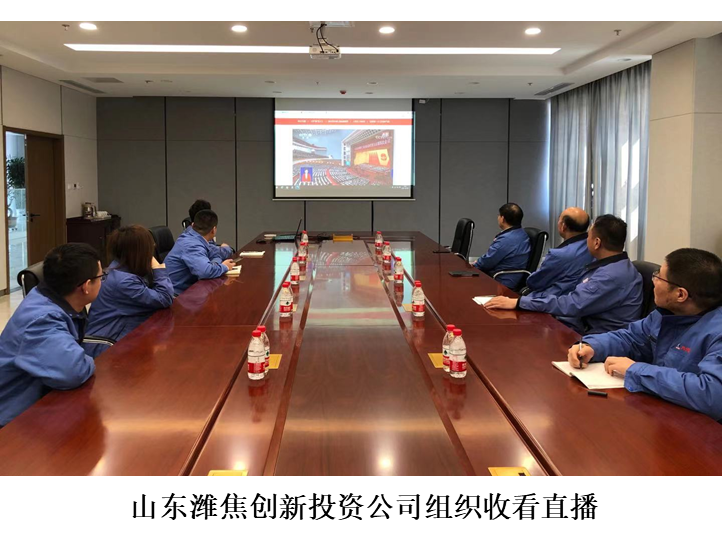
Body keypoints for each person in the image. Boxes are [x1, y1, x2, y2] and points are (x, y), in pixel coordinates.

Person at [569, 248, 722, 420]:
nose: (653, 280)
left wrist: (635, 370)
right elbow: (631, 338)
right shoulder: (667, 314)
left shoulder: (717, 332)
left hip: (698, 428)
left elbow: (712, 394)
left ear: (680, 294)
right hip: (662, 412)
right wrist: (592, 346)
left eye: (659, 277)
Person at [485, 214, 642, 334]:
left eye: (588, 236)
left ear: (597, 243)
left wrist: (520, 302)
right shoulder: (613, 266)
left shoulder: (611, 275)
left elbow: (571, 304)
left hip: (596, 340)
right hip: (583, 328)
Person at [0, 243, 102, 427]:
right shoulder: (41, 321)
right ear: (86, 286)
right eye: (101, 277)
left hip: (42, 403)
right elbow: (74, 370)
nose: (103, 281)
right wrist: (86, 358)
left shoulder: (53, 298)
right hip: (13, 422)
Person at [84, 225, 174, 358]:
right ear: (140, 251)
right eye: (150, 246)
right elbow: (165, 297)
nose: (153, 247)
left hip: (122, 337)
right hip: (108, 348)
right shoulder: (124, 282)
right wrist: (158, 267)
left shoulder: (121, 270)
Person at [521, 207, 595, 298]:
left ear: (563, 226)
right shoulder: (594, 246)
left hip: (553, 299)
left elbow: (534, 282)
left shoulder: (559, 255)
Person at [164, 209, 235, 294]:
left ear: (193, 225)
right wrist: (224, 267)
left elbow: (214, 254)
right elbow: (205, 272)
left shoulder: (193, 237)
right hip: (176, 295)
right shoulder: (192, 245)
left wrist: (215, 263)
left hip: (187, 289)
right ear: (213, 230)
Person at [472, 203, 531, 289]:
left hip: (501, 280)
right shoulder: (521, 233)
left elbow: (488, 262)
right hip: (508, 276)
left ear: (502, 219)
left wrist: (474, 265)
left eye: (499, 215)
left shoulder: (507, 239)